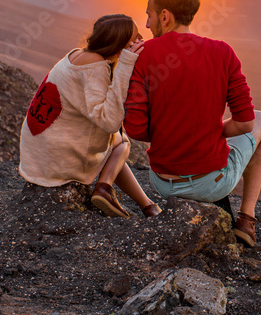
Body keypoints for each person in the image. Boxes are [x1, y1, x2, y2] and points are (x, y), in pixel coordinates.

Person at [124, 0, 261, 247]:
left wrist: (174, 130)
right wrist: (209, 131)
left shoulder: (143, 56)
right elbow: (246, 123)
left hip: (162, 182)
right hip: (211, 184)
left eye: (149, 15)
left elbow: (135, 129)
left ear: (165, 16)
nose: (146, 24)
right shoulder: (222, 52)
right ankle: (247, 220)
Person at [18, 13, 161, 218]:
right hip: (54, 161)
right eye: (135, 37)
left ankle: (147, 205)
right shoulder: (93, 66)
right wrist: (127, 64)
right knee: (121, 142)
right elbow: (110, 121)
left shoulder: (78, 54)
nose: (140, 41)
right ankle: (105, 187)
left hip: (40, 153)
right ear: (119, 43)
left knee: (113, 143)